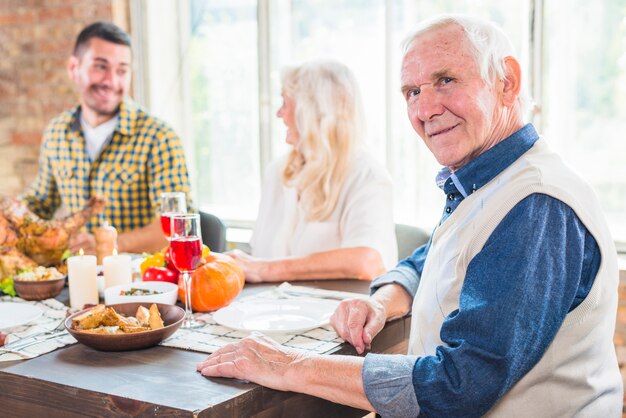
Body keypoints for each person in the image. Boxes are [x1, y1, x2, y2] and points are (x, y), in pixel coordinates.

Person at [196, 14, 623, 417]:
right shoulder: (491, 178)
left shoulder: (538, 206)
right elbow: (438, 256)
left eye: (445, 80)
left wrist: (288, 365)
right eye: (412, 92)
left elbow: (458, 385)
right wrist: (384, 300)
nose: (424, 109)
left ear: (506, 81)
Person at [21, 22, 192, 254]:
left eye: (122, 71)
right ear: (74, 68)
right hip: (77, 276)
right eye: (100, 67)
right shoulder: (57, 132)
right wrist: (10, 214)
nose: (111, 81)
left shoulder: (159, 137)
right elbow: (40, 203)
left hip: (142, 281)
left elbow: (178, 225)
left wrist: (107, 243)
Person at [228, 60, 397, 282]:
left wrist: (264, 269)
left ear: (311, 112)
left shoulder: (367, 176)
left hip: (336, 314)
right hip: (272, 311)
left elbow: (367, 261)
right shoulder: (277, 171)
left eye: (285, 103)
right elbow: (258, 252)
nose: (279, 114)